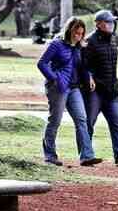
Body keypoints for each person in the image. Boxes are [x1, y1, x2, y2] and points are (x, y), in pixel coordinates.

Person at [37, 17, 102, 167]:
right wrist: (54, 78)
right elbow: (42, 63)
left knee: (81, 119)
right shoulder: (56, 44)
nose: (78, 36)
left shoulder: (79, 47)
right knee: (55, 121)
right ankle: (50, 155)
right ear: (69, 31)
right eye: (76, 33)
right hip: (58, 88)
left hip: (74, 88)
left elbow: (81, 66)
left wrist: (89, 78)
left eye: (81, 33)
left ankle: (86, 156)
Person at [82, 9, 118, 167]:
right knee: (89, 123)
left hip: (112, 90)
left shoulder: (112, 39)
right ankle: (86, 156)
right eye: (108, 22)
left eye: (112, 22)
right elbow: (83, 65)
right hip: (95, 92)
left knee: (117, 123)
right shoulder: (89, 41)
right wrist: (90, 78)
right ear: (98, 24)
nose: (111, 24)